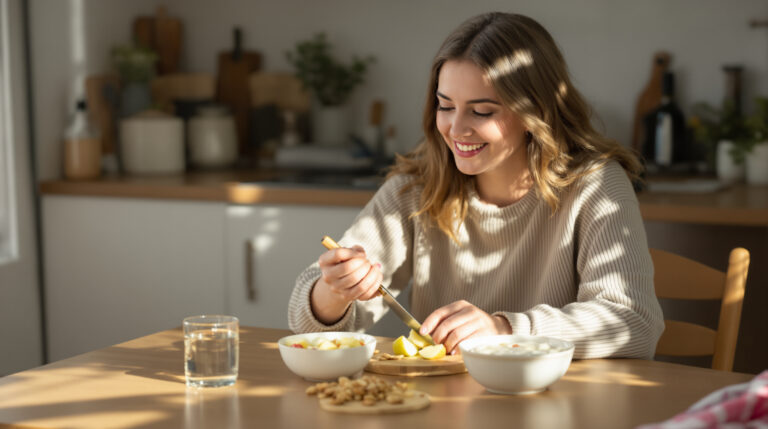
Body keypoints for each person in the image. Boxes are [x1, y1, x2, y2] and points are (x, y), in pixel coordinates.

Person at [288, 12, 664, 359]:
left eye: (482, 111)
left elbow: (634, 323)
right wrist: (335, 291)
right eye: (445, 105)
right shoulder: (418, 186)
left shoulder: (595, 185)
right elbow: (303, 324)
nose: (456, 128)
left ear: (536, 112)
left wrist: (503, 329)